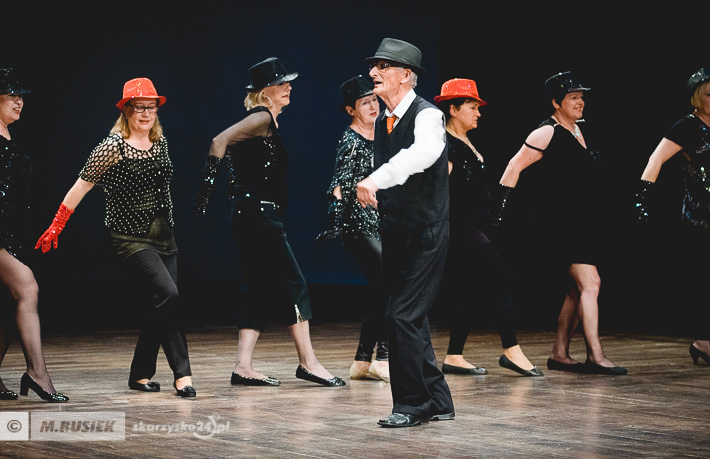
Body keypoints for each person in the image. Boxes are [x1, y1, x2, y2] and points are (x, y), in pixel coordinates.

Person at [36, 77, 196, 397]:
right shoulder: (112, 147)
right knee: (169, 295)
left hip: (165, 236)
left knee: (165, 303)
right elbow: (81, 185)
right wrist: (57, 224)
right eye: (139, 107)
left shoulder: (160, 142)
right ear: (126, 111)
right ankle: (183, 375)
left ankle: (140, 374)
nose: (146, 113)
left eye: (151, 107)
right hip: (130, 237)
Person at [193, 57, 344, 387]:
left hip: (251, 212)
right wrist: (205, 192)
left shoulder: (266, 122)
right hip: (257, 213)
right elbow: (219, 141)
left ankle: (243, 366)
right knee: (294, 283)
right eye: (280, 84)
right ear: (265, 92)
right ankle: (308, 363)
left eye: (288, 83)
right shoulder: (261, 117)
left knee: (258, 287)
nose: (288, 87)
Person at [494, 71, 626, 375]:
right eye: (573, 97)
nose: (580, 102)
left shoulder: (579, 130)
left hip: (582, 223)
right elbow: (513, 167)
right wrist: (498, 215)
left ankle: (559, 353)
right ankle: (595, 355)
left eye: (582, 97)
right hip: (561, 225)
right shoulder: (546, 132)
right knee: (591, 283)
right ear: (556, 102)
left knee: (576, 289)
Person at [356, 38, 454, 427]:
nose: (373, 72)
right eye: (374, 65)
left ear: (406, 75)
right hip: (396, 229)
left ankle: (413, 405)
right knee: (407, 317)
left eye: (383, 66)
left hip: (425, 233)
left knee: (401, 316)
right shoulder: (385, 119)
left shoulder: (427, 115)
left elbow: (423, 154)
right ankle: (438, 399)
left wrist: (376, 180)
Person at [434, 78, 542, 377]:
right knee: (502, 281)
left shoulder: (465, 141)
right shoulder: (446, 146)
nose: (478, 113)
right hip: (463, 229)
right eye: (472, 107)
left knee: (469, 290)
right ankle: (511, 350)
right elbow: (438, 191)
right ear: (453, 110)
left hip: (475, 226)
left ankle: (454, 355)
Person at [633, 67, 710, 366]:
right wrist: (641, 201)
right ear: (697, 98)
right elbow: (655, 159)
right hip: (700, 218)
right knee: (703, 282)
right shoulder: (686, 127)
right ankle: (703, 341)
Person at [0, 69, 67, 402]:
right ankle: (37, 374)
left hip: (12, 236)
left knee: (6, 305)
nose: (19, 101)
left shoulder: (8, 137)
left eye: (21, 96)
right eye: (11, 95)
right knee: (28, 287)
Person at [318, 75, 389, 383]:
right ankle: (383, 358)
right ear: (351, 110)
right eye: (364, 103)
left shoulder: (381, 136)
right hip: (357, 224)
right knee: (391, 284)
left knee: (382, 290)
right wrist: (335, 222)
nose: (373, 106)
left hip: (378, 223)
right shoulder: (351, 140)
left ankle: (362, 362)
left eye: (374, 100)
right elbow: (338, 183)